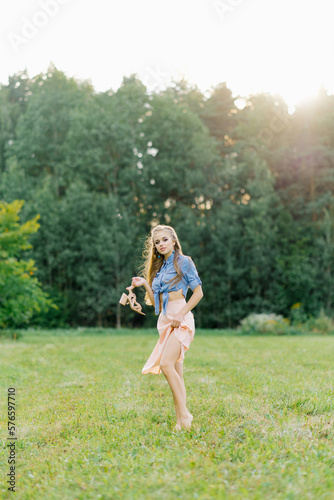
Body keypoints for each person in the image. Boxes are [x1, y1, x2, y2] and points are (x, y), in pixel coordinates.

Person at [131, 224, 203, 431]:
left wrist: (181, 314)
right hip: (165, 320)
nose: (160, 244)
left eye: (164, 240)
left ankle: (186, 415)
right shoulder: (159, 269)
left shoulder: (184, 262)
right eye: (156, 242)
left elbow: (198, 293)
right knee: (176, 373)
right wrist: (145, 284)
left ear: (173, 241)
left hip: (181, 318)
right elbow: (157, 304)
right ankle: (181, 421)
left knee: (166, 365)